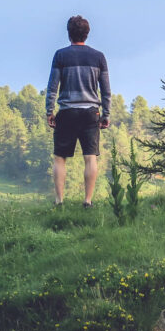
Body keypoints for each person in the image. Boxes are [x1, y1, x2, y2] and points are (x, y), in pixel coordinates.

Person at [45, 15, 111, 207]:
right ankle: (88, 201)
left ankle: (59, 201)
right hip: (91, 112)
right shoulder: (99, 57)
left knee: (60, 157)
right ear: (87, 34)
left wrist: (50, 111)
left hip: (67, 112)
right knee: (90, 158)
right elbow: (106, 90)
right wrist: (106, 114)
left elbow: (52, 87)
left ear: (69, 34)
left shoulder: (60, 55)